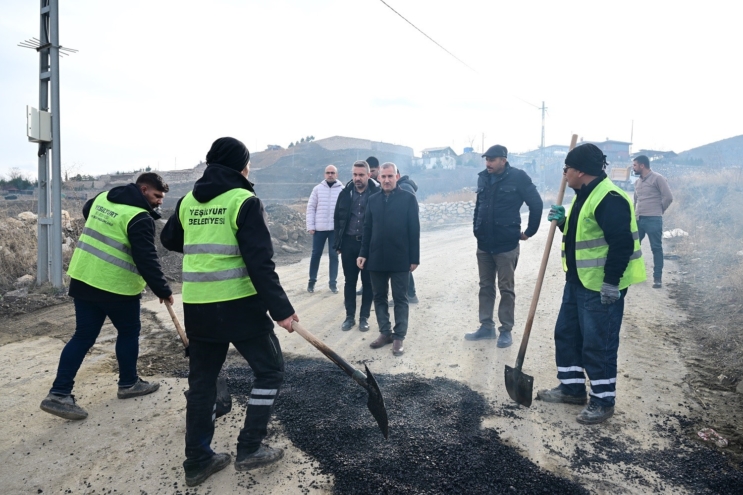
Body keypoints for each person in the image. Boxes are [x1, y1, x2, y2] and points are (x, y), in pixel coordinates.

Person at [160, 137, 298, 487]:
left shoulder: (189, 200)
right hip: (239, 306)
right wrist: (281, 309)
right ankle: (250, 447)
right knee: (269, 371)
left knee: (203, 383)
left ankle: (198, 461)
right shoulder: (244, 200)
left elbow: (170, 240)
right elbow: (260, 263)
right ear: (241, 166)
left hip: (200, 308)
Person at [40, 173, 173, 421]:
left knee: (82, 336)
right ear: (144, 190)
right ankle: (128, 383)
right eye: (157, 196)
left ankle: (58, 394)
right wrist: (163, 289)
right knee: (129, 332)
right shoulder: (139, 218)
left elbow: (87, 210)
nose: (159, 202)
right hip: (115, 287)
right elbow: (146, 259)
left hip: (83, 278)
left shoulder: (103, 198)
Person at [536, 143, 646, 425]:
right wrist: (563, 223)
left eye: (566, 169)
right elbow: (586, 236)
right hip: (577, 282)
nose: (564, 175)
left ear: (579, 171)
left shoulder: (610, 198)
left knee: (599, 344)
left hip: (601, 287)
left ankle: (603, 400)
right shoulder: (584, 194)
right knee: (568, 334)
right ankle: (572, 388)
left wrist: (611, 283)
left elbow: (621, 244)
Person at [467, 145, 543, 347]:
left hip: (506, 245)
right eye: (486, 159)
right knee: (485, 287)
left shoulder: (519, 177)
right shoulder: (483, 177)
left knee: (506, 288)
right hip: (484, 244)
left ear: (503, 160)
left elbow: (536, 204)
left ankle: (506, 330)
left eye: (492, 160)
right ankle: (486, 327)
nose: (487, 163)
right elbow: (479, 205)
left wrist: (529, 232)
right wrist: (476, 229)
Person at [358, 162, 420, 356]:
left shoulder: (408, 199)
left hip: (400, 257)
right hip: (376, 257)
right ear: (378, 178)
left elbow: (414, 230)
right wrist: (363, 253)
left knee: (400, 298)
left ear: (396, 176)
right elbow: (367, 228)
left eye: (390, 176)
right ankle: (385, 333)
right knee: (379, 297)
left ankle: (399, 337)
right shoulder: (373, 200)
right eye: (383, 177)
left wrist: (414, 258)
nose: (386, 180)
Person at [334, 160, 379, 331]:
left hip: (368, 245)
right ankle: (349, 317)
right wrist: (338, 242)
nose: (357, 178)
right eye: (355, 174)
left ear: (368, 175)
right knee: (349, 281)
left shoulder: (377, 193)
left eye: (361, 175)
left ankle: (364, 318)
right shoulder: (345, 194)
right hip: (348, 243)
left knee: (368, 283)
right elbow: (337, 219)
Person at [632, 155, 673, 288]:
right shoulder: (637, 182)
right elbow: (635, 201)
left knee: (656, 248)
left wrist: (659, 210)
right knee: (632, 246)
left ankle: (657, 278)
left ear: (642, 165)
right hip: (639, 219)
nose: (633, 168)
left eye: (635, 165)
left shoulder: (658, 178)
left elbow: (668, 197)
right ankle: (633, 274)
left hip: (654, 219)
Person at [306, 165, 342, 293]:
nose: (330, 175)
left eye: (332, 173)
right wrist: (311, 226)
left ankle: (333, 284)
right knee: (316, 255)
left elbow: (344, 211)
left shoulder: (342, 190)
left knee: (334, 256)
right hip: (319, 229)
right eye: (328, 172)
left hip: (334, 230)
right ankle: (312, 282)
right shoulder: (317, 189)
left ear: (336, 175)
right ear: (324, 174)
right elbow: (311, 207)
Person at [395, 169, 420, 304]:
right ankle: (410, 295)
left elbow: (410, 213)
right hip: (402, 234)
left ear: (396, 175)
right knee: (404, 267)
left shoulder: (404, 188)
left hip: (403, 234)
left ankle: (409, 295)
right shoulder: (404, 186)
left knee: (403, 267)